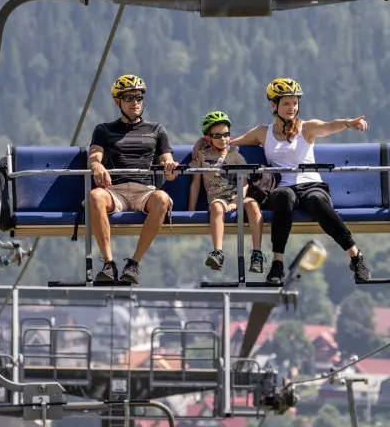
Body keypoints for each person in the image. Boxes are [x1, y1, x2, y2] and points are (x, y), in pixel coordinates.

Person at [229, 77, 371, 285]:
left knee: (317, 202)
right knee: (284, 197)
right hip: (284, 187)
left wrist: (349, 123)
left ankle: (355, 256)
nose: (291, 108)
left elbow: (330, 126)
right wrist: (203, 143)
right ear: (274, 105)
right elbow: (230, 143)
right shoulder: (262, 132)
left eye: (295, 103)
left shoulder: (307, 128)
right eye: (286, 103)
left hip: (311, 184)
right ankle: (278, 264)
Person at [88, 74, 179, 285]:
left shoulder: (156, 130)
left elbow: (168, 160)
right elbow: (94, 157)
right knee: (95, 196)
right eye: (128, 98)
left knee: (162, 199)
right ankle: (108, 263)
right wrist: (97, 165)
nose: (135, 103)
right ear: (117, 101)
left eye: (138, 98)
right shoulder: (104, 130)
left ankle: (134, 263)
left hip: (144, 190)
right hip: (115, 189)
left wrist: (170, 166)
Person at [188, 111, 266, 273]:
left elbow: (244, 184)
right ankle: (218, 252)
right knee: (216, 207)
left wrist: (236, 201)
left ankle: (257, 254)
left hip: (237, 196)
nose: (223, 139)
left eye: (226, 134)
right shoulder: (201, 156)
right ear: (208, 138)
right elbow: (196, 183)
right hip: (218, 198)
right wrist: (191, 209)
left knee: (252, 205)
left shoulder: (236, 156)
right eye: (217, 136)